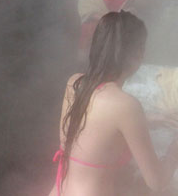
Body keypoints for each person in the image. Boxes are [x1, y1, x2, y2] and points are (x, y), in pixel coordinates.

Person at [49, 11, 178, 196]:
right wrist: (174, 151)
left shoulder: (74, 83)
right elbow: (156, 181)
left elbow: (98, 126)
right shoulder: (127, 107)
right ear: (139, 54)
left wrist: (151, 119)